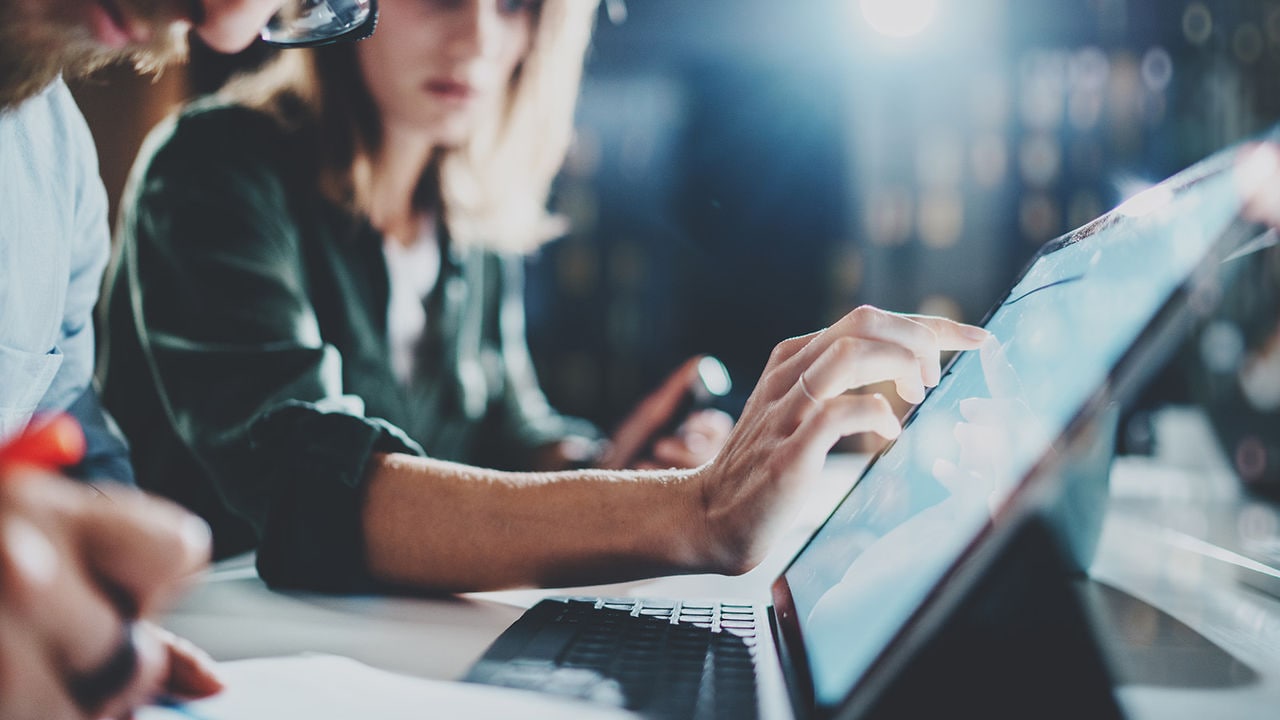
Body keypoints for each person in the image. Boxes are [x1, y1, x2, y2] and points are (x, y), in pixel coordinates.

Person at [102, 0, 991, 595]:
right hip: (210, 659)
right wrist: (694, 508)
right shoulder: (212, 168)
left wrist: (614, 464)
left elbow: (507, 431)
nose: (482, 39)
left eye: (517, 3)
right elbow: (305, 484)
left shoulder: (462, 219)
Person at [0, 1, 376, 717]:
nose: (227, 23)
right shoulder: (211, 166)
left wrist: (99, 609)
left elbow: (74, 440)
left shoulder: (56, 161)